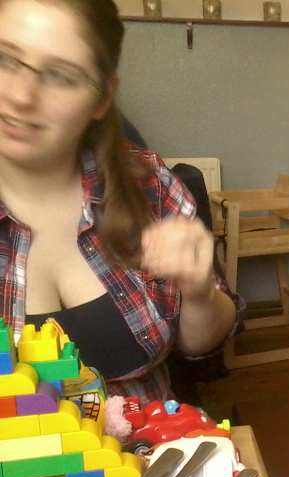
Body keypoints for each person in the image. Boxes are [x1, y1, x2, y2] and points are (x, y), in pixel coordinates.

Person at [0, 0, 242, 403]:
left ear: (101, 98)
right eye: (5, 59)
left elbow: (199, 346)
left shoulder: (149, 185)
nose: (22, 96)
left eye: (61, 76)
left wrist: (199, 291)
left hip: (150, 455)